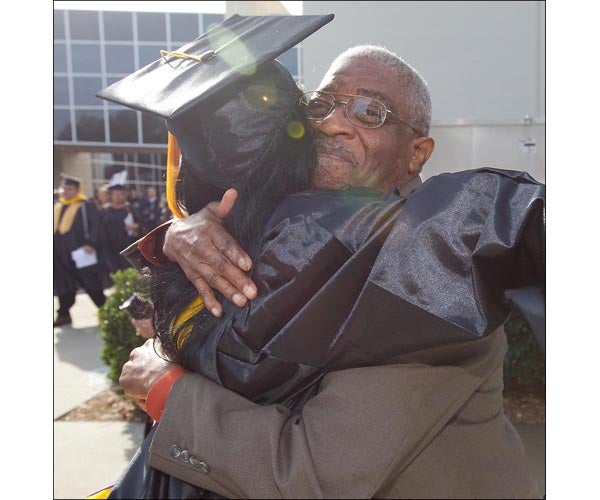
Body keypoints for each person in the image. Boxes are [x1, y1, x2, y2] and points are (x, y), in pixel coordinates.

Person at [117, 20, 544, 500]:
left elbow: (313, 475)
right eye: (321, 104)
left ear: (417, 154)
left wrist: (167, 392)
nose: (331, 123)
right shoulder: (298, 230)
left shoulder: (432, 281)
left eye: (369, 111)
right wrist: (181, 231)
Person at [53, 174, 106, 327]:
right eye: (64, 188)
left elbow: (96, 226)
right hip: (60, 254)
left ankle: (108, 313)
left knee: (91, 284)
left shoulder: (85, 205)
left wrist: (91, 243)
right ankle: (64, 314)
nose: (66, 191)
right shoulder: (58, 206)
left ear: (77, 190)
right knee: (64, 284)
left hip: (80, 252)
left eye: (70, 188)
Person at [99, 171, 140, 274]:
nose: (117, 196)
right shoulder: (105, 210)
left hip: (127, 245)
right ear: (111, 195)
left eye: (120, 194)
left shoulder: (129, 208)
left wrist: (135, 227)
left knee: (128, 270)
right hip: (110, 247)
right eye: (114, 194)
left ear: (124, 194)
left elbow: (141, 225)